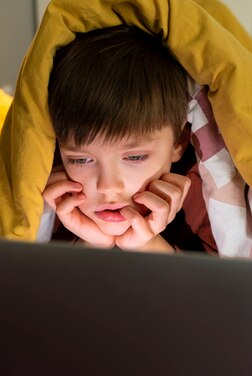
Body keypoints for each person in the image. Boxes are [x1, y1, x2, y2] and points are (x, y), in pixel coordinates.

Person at [42, 25, 208, 254]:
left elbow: (220, 289)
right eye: (80, 160)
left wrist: (148, 245)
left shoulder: (211, 204)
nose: (108, 186)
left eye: (135, 156)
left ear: (179, 141)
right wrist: (91, 243)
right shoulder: (50, 201)